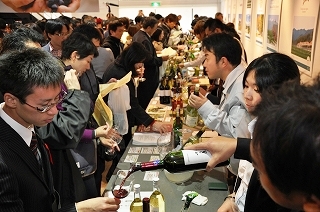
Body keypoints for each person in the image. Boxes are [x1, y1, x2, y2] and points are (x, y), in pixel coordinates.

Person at [0, 48, 121, 212]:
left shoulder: (32, 122)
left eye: (57, 100)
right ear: (11, 100)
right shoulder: (4, 157)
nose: (54, 111)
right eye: (44, 106)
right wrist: (78, 209)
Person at [215, 53, 299, 212]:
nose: (247, 95)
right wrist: (232, 199)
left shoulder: (283, 145)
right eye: (246, 86)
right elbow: (246, 178)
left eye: (257, 89)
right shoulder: (256, 126)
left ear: (282, 93)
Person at [102, 42, 171, 182]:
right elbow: (132, 104)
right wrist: (152, 123)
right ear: (131, 60)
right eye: (139, 64)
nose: (141, 67)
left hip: (121, 117)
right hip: (116, 120)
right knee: (120, 152)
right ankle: (114, 179)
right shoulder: (120, 73)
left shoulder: (122, 66)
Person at [188, 33, 251, 175]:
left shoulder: (241, 86)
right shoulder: (233, 79)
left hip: (240, 167)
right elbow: (228, 113)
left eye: (207, 58)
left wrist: (205, 107)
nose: (204, 64)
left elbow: (237, 134)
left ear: (223, 62)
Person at [132, 16, 168, 109]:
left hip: (143, 72)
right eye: (155, 28)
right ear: (148, 28)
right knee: (147, 99)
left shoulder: (138, 35)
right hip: (147, 73)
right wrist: (161, 59)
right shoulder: (143, 39)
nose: (155, 31)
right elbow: (148, 59)